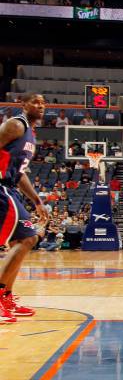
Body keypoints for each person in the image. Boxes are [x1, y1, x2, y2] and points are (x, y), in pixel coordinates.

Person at [0, 93, 49, 324]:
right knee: (28, 238)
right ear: (23, 105)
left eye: (43, 103)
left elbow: (19, 173)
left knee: (25, 240)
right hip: (1, 188)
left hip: (10, 187)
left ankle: (6, 297)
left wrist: (37, 201)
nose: (40, 105)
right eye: (35, 102)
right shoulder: (15, 125)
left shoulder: (30, 133)